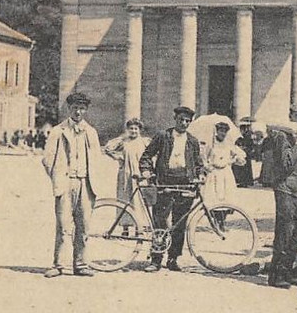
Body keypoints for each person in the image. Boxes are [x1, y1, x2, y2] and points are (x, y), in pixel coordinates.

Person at [41, 91, 107, 278]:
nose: (78, 112)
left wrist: (91, 179)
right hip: (66, 182)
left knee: (84, 225)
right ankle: (59, 264)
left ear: (86, 110)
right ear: (69, 109)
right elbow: (47, 159)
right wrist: (58, 178)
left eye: (81, 108)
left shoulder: (91, 132)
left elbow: (96, 159)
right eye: (75, 108)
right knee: (63, 225)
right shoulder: (57, 131)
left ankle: (81, 263)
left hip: (86, 183)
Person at [139, 105, 204, 272]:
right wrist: (146, 171)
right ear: (175, 119)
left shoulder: (193, 141)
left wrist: (200, 175)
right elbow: (147, 155)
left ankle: (173, 259)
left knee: (179, 223)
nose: (183, 123)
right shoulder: (163, 136)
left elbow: (198, 164)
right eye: (181, 120)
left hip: (185, 184)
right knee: (160, 220)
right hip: (164, 182)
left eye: (187, 121)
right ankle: (155, 259)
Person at [267, 102, 297, 289]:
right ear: (290, 116)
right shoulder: (282, 137)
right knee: (284, 232)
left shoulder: (295, 138)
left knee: (296, 235)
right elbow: (287, 165)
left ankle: (288, 271)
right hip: (285, 189)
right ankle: (276, 275)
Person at [104, 118, 151, 223]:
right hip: (126, 173)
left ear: (140, 130)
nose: (133, 131)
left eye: (136, 129)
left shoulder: (144, 142)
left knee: (140, 201)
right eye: (131, 129)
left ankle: (139, 227)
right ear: (127, 130)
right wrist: (118, 157)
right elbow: (108, 148)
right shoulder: (124, 142)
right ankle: (125, 227)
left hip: (139, 174)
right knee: (125, 199)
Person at [202, 121, 246, 211]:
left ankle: (222, 220)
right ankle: (215, 218)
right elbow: (203, 157)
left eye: (225, 131)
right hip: (214, 173)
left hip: (226, 173)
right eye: (221, 131)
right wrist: (207, 167)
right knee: (213, 199)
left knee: (227, 198)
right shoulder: (211, 144)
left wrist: (234, 159)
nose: (223, 133)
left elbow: (240, 155)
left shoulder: (229, 144)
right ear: (217, 131)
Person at [233, 117, 256, 188]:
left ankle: (245, 182)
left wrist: (244, 147)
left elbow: (250, 145)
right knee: (244, 168)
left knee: (245, 169)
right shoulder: (242, 136)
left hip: (246, 153)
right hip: (243, 153)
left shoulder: (248, 136)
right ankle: (244, 181)